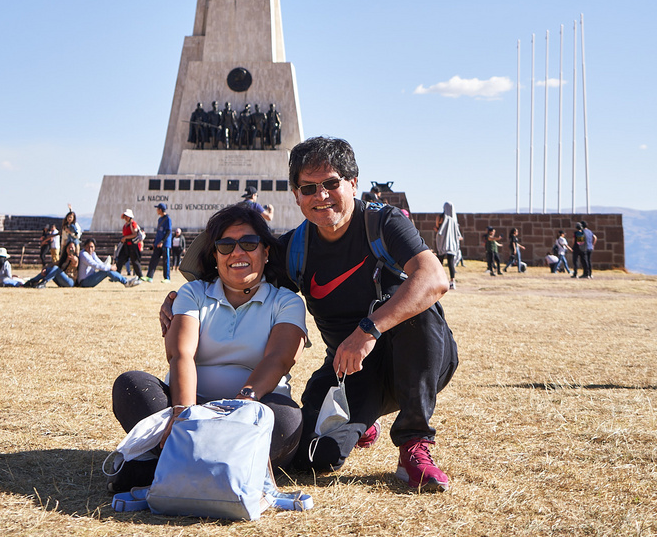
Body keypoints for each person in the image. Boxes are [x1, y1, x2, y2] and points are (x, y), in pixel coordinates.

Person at [162, 138, 458, 493]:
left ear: (352, 183)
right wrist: (179, 298)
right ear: (295, 194)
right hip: (350, 371)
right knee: (310, 459)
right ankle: (363, 421)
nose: (321, 196)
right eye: (309, 188)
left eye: (332, 183)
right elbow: (234, 270)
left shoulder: (383, 223)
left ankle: (414, 444)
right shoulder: (294, 249)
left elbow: (434, 278)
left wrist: (368, 330)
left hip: (413, 360)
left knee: (419, 313)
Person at [111, 203, 307, 492]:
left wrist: (241, 407)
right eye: (225, 245)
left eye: (249, 243)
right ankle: (222, 467)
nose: (237, 253)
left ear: (266, 252)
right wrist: (183, 414)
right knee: (131, 386)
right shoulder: (193, 293)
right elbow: (181, 353)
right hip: (189, 405)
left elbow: (279, 359)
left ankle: (166, 465)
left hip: (252, 409)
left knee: (288, 420)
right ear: (214, 256)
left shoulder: (287, 302)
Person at [433, 201, 462, 289]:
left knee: (440, 261)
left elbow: (437, 228)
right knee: (451, 263)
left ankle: (438, 279)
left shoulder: (441, 217)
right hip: (451, 244)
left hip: (442, 242)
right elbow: (458, 234)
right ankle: (452, 281)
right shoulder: (454, 220)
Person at [146, 204, 172, 283]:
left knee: (165, 261)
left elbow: (168, 231)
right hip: (158, 243)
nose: (156, 210)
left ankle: (167, 278)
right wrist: (155, 242)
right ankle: (149, 276)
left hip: (165, 244)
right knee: (154, 259)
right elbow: (158, 232)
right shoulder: (160, 219)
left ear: (160, 209)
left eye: (157, 209)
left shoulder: (168, 219)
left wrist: (162, 241)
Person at [115, 209, 144, 280]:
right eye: (125, 216)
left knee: (135, 261)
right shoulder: (125, 225)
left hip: (132, 245)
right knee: (120, 260)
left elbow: (134, 234)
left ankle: (140, 276)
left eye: (127, 216)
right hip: (125, 245)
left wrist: (125, 237)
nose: (125, 217)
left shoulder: (133, 224)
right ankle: (116, 276)